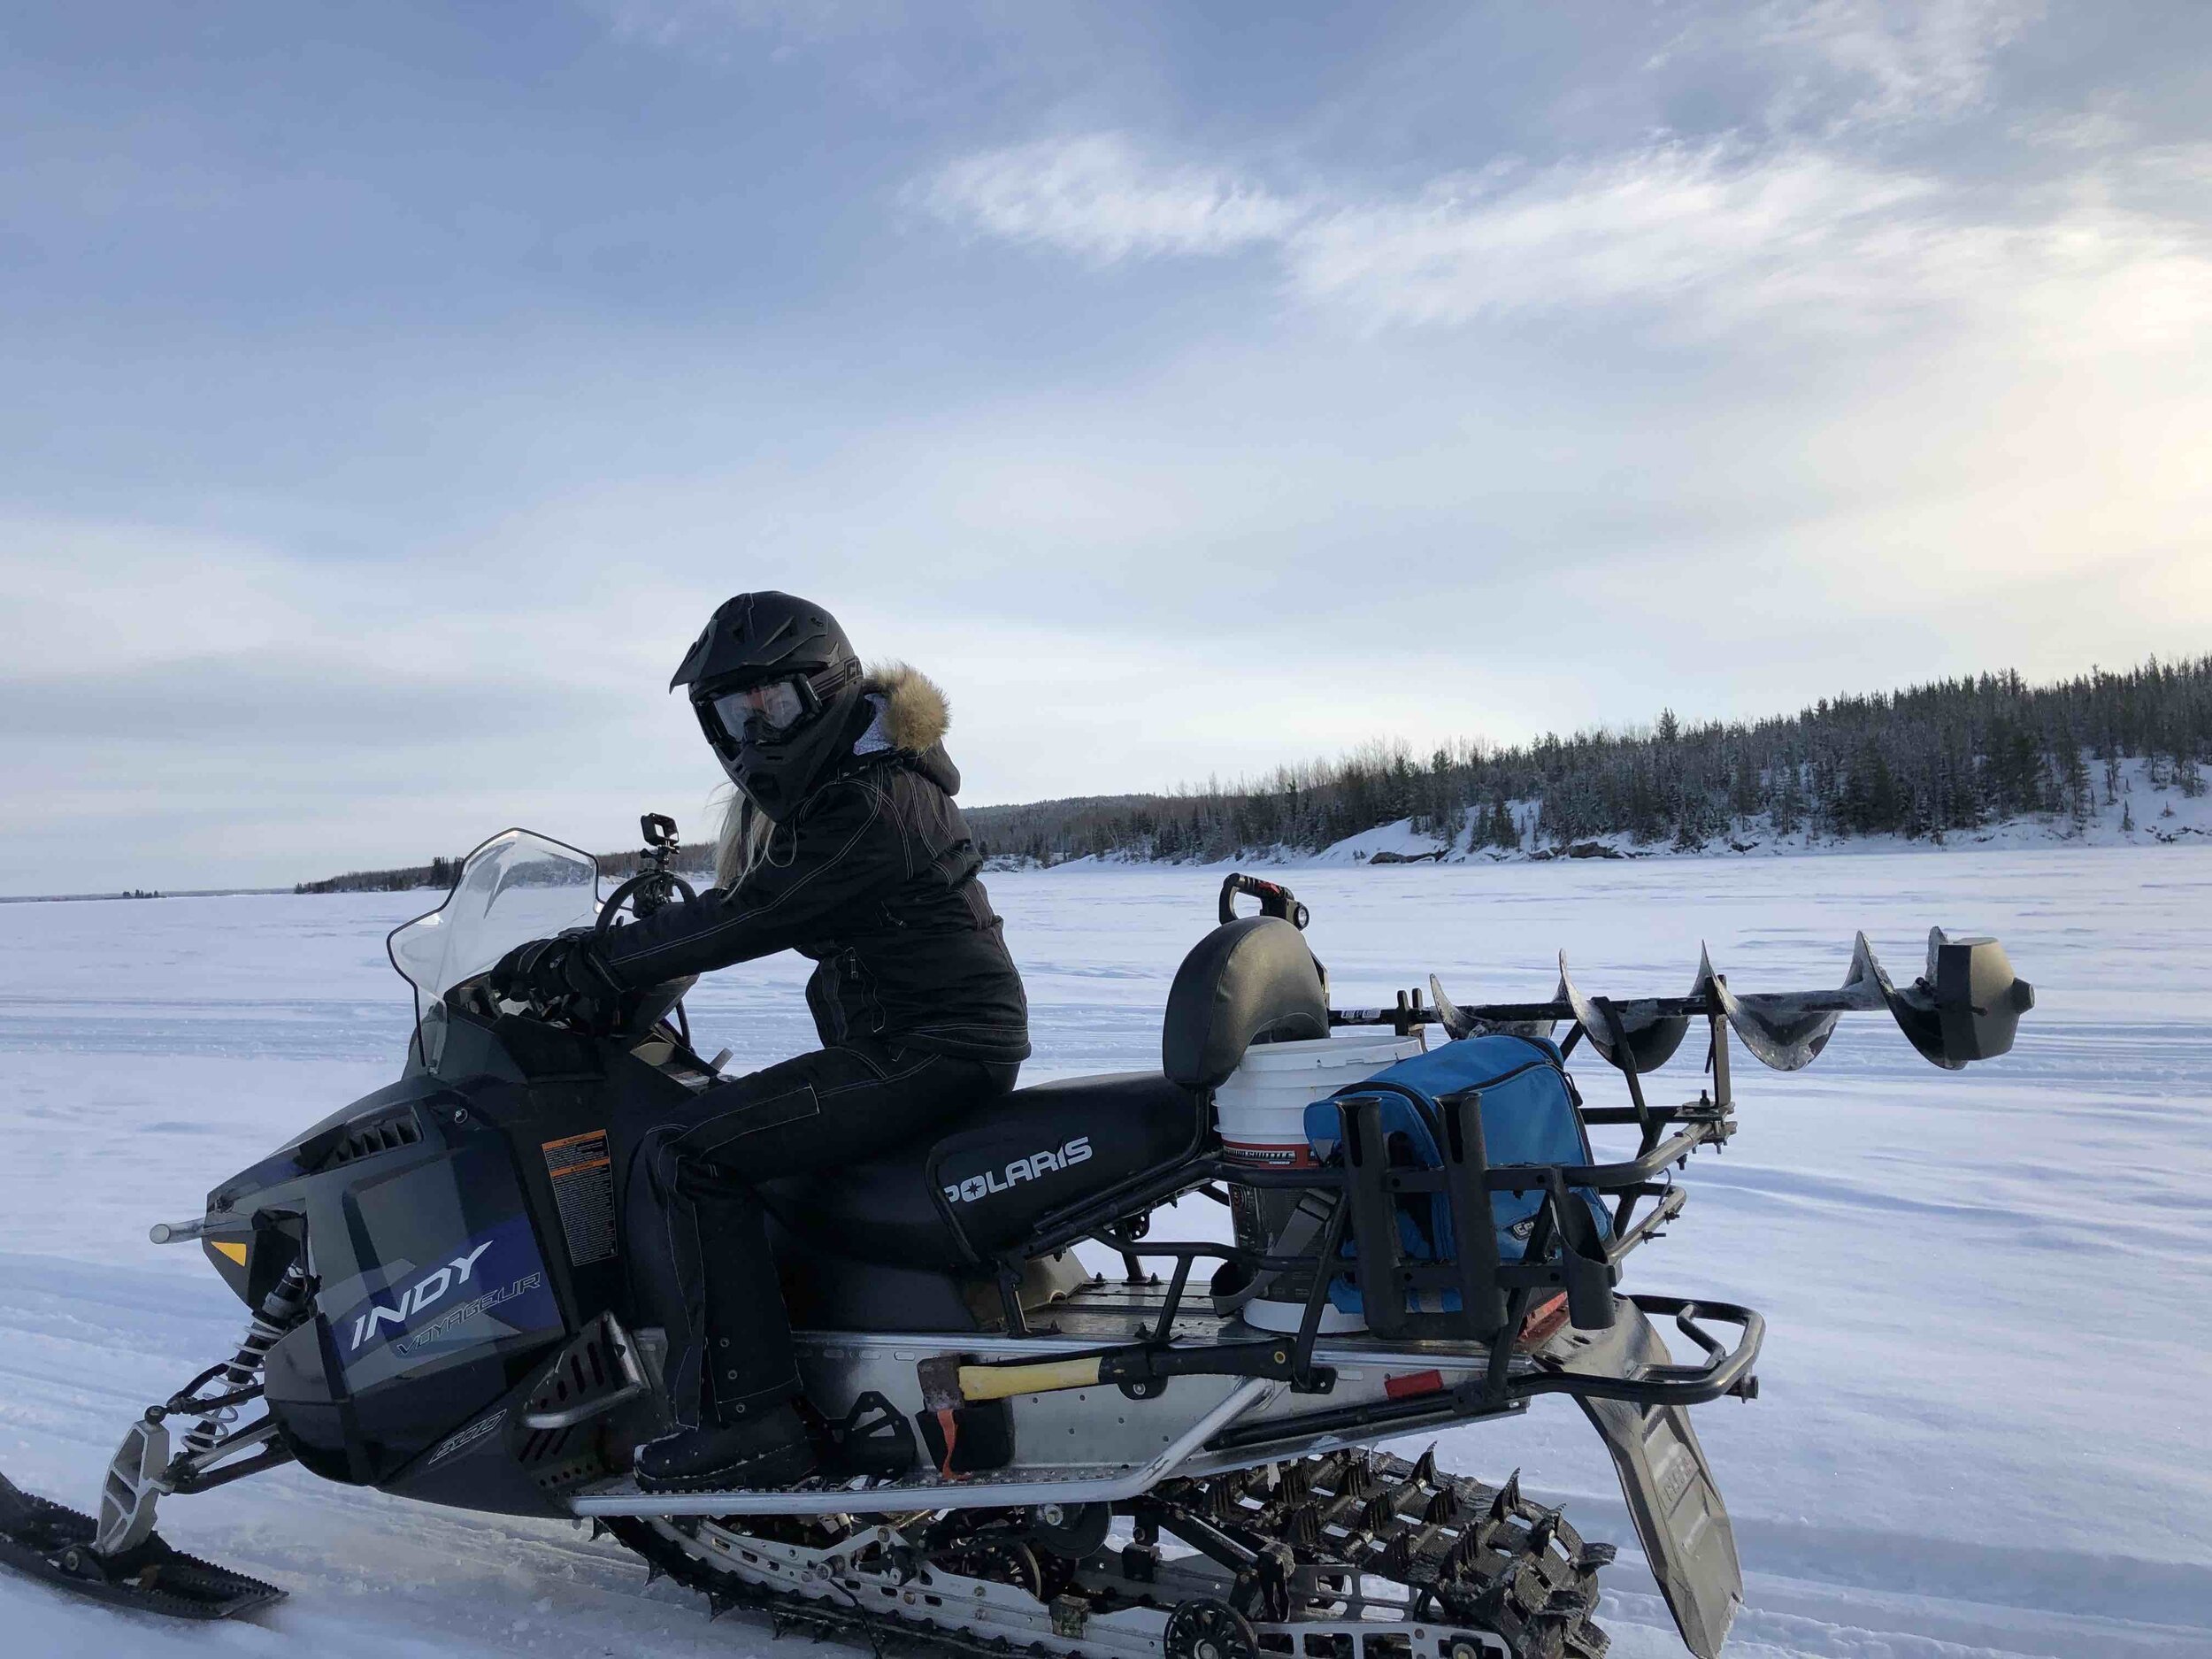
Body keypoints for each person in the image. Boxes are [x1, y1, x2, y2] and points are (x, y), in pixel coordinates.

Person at [489, 592, 1029, 1491]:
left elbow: (752, 914)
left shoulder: (872, 798)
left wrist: (582, 961)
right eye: (732, 713)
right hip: (924, 1041)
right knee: (740, 1134)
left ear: (827, 691)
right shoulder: (871, 782)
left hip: (930, 1049)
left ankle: (749, 1419)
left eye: (772, 704)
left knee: (690, 1155)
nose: (754, 730)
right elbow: (759, 901)